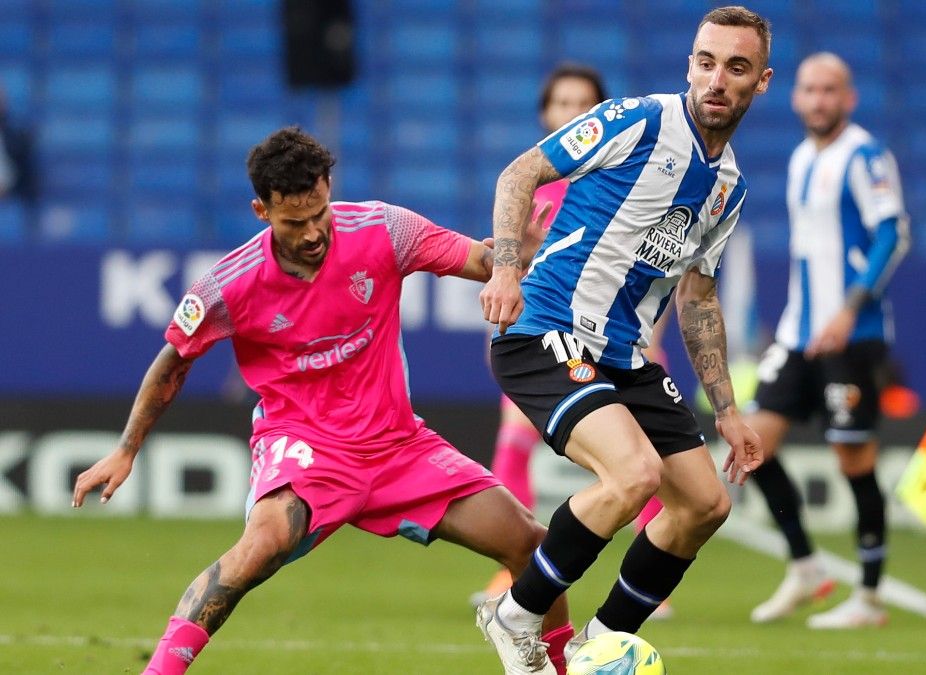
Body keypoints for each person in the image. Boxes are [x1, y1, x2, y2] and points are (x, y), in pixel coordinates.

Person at [70, 127, 571, 675]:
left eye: (320, 213)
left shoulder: (384, 229)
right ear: (261, 209)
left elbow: (477, 260)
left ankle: (560, 667)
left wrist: (511, 257)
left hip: (398, 447)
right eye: (294, 221)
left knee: (535, 547)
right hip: (304, 447)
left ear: (329, 187)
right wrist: (126, 449)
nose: (312, 233)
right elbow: (173, 360)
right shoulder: (228, 285)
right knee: (261, 545)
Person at [475, 6, 772, 671]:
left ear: (762, 81)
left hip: (622, 354)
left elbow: (698, 296)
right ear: (689, 64)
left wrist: (726, 408)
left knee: (704, 504)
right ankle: (516, 613)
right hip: (544, 328)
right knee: (633, 473)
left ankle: (597, 643)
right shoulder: (638, 120)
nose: (716, 79)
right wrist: (504, 267)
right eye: (705, 61)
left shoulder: (728, 186)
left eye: (736, 66)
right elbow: (519, 174)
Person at [474, 64, 674, 622]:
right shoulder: (533, 183)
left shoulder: (612, 183)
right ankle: (514, 565)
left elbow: (648, 268)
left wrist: (652, 339)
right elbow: (514, 265)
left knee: (641, 461)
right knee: (514, 445)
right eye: (561, 103)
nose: (570, 114)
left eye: (582, 104)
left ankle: (643, 574)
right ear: (546, 113)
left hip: (614, 339)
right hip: (546, 336)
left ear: (600, 115)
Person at [742, 53, 909, 629]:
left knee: (853, 458)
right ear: (794, 98)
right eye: (809, 89)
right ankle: (806, 563)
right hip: (797, 332)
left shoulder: (864, 155)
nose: (818, 100)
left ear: (849, 97)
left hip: (851, 335)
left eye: (829, 90)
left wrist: (849, 309)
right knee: (752, 444)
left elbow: (893, 232)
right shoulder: (798, 158)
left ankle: (868, 595)